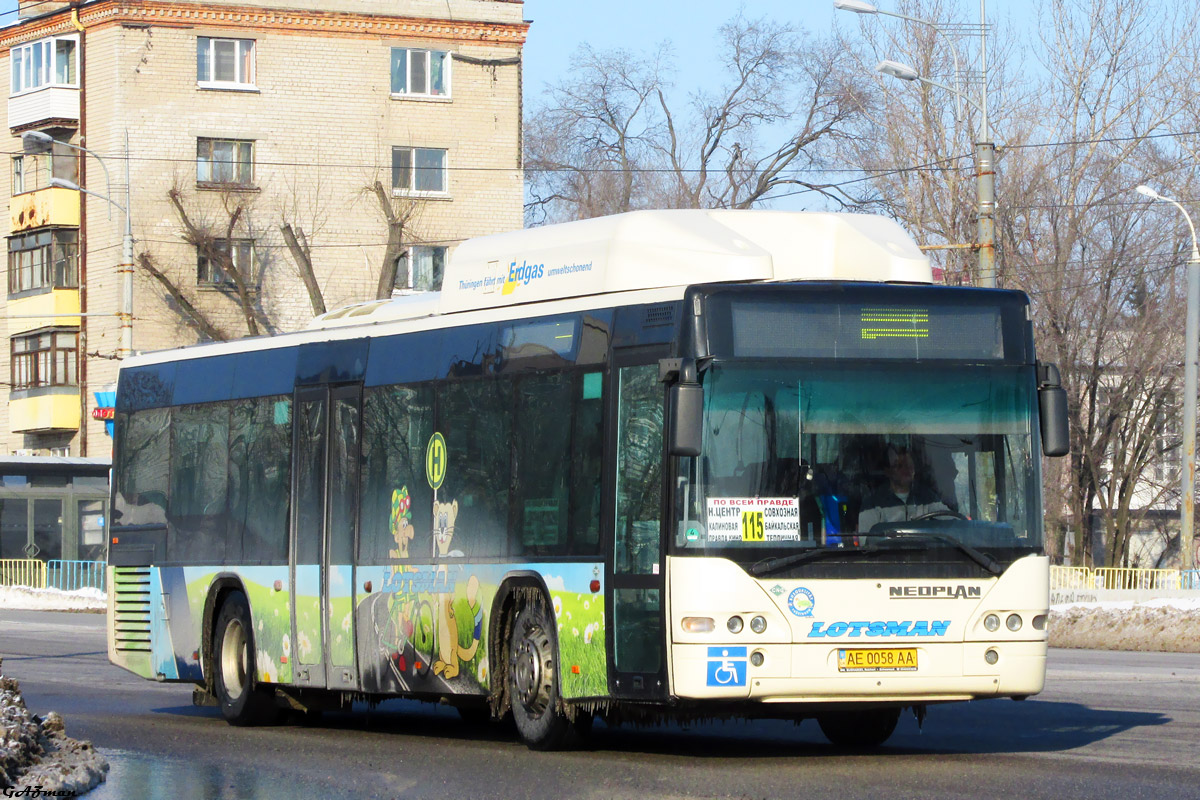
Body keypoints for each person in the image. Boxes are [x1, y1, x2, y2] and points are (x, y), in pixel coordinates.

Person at [857, 445, 949, 532]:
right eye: (899, 466)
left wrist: (962, 522)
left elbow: (949, 519)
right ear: (888, 471)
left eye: (909, 465)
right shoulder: (872, 505)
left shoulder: (927, 498)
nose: (906, 469)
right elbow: (867, 542)